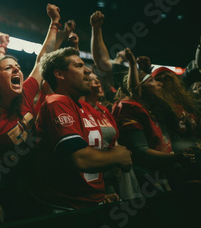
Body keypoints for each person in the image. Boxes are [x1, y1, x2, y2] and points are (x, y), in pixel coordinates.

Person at [0, 3, 62, 222]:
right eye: (9, 68)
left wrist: (54, 24)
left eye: (17, 67)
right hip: (2, 184)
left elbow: (43, 59)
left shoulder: (26, 91)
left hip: (33, 180)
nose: (17, 69)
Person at [33, 47, 132, 210]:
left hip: (89, 202)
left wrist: (98, 197)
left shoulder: (85, 107)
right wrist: (116, 156)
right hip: (67, 207)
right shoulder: (57, 103)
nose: (87, 70)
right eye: (78, 66)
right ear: (59, 74)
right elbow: (79, 158)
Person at [112, 50, 198, 191]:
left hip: (160, 169)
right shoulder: (129, 107)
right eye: (152, 80)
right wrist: (176, 157)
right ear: (141, 87)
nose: (160, 84)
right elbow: (141, 151)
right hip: (146, 175)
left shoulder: (150, 106)